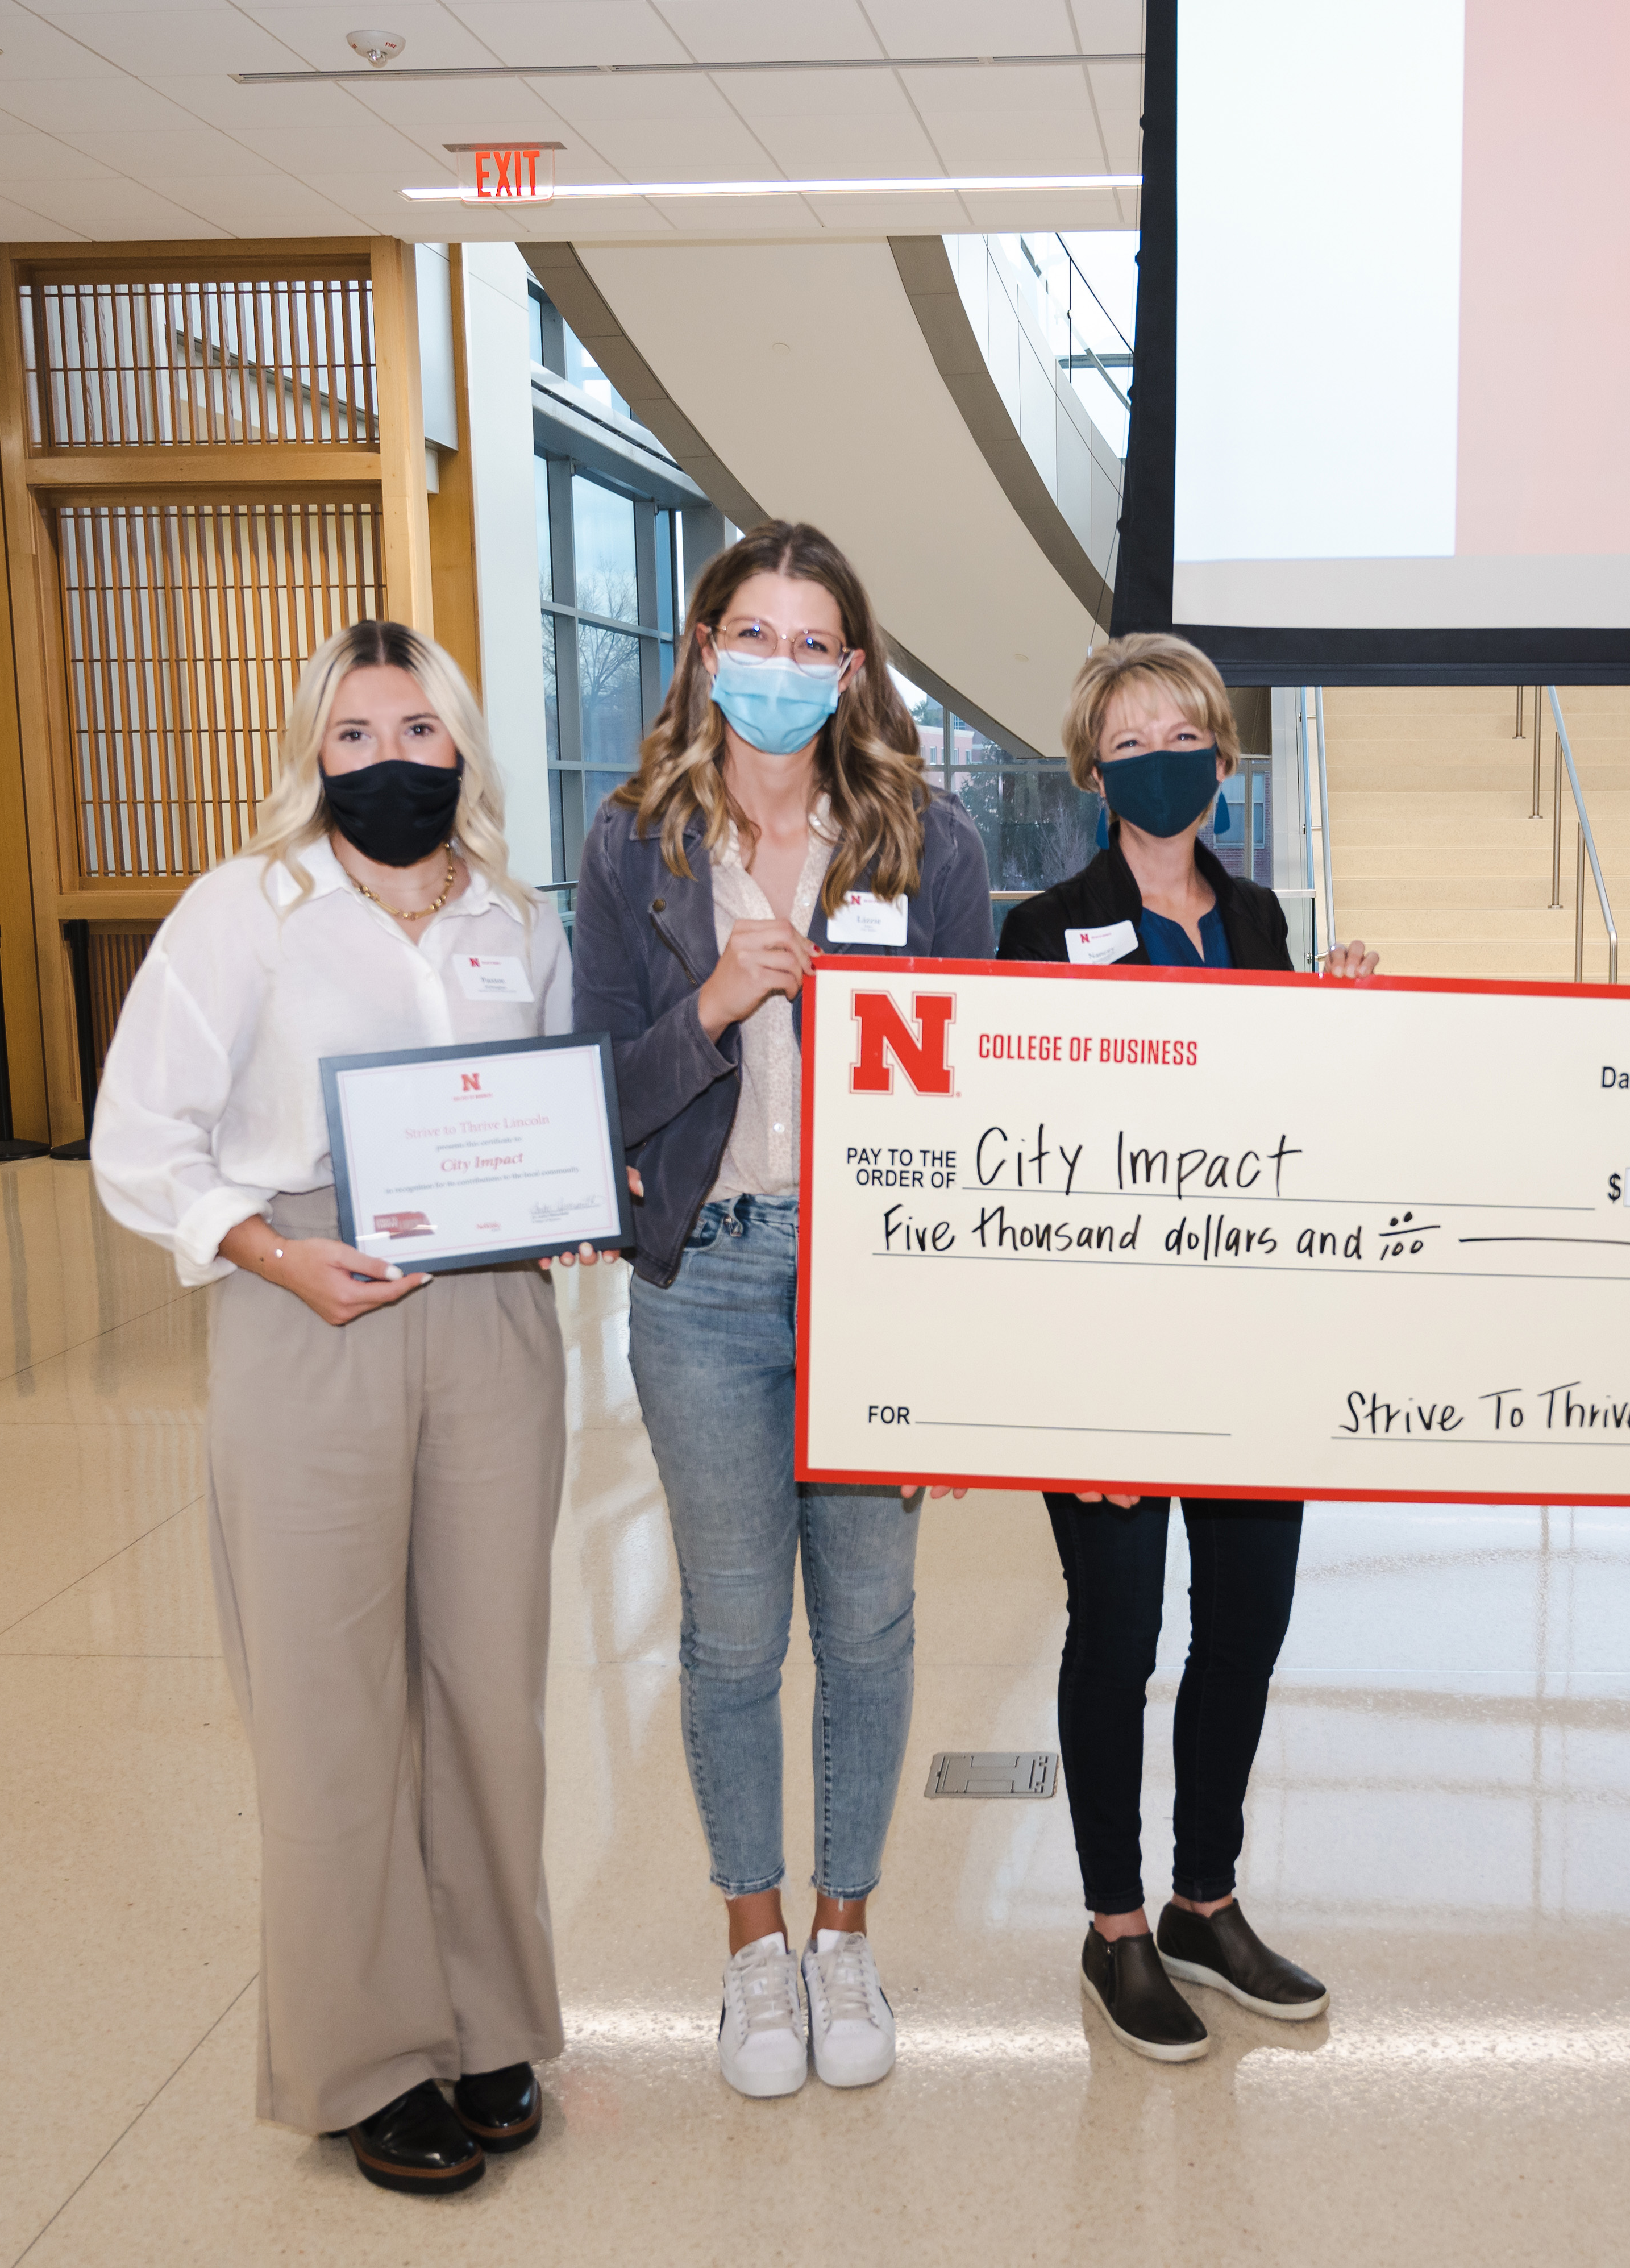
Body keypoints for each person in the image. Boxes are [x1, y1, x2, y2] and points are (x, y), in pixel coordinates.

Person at [92, 620, 606, 2194]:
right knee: (326, 1698)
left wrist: (572, 1192)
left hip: (492, 1326)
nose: (392, 760)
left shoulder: (515, 918)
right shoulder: (243, 910)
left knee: (484, 1682)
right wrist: (265, 1248)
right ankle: (366, 2053)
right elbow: (140, 1136)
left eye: (419, 731)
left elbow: (551, 1099)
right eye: (356, 735)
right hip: (303, 1305)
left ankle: (485, 2014)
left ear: (464, 747)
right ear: (314, 755)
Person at [572, 521, 991, 2100]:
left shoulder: (923, 844)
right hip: (708, 1270)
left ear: (853, 671)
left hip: (876, 1272)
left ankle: (842, 1930)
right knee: (736, 1628)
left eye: (812, 643)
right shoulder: (633, 844)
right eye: (752, 632)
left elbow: (979, 1102)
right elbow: (596, 1091)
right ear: (701, 647)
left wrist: (954, 1345)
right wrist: (715, 1005)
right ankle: (750, 1943)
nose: (779, 666)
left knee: (871, 1623)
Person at [996, 632, 1379, 2062]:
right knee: (1117, 1634)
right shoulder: (1043, 931)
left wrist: (1339, 1026)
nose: (1163, 753)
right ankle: (1113, 1929)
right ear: (1097, 769)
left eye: (1187, 730)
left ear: (1222, 759)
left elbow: (1291, 1116)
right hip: (1103, 1344)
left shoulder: (1263, 916)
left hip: (1250, 1340)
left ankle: (1204, 1901)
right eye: (1132, 732)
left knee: (1245, 1629)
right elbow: (1018, 1163)